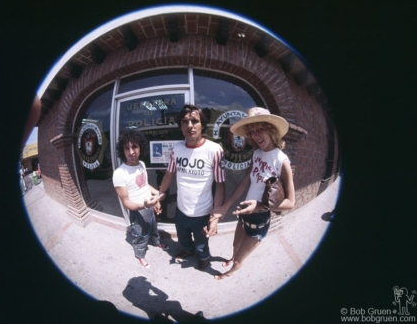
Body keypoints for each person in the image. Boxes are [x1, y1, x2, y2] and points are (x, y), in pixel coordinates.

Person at [210, 107, 295, 280]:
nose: (256, 135)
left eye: (260, 129)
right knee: (235, 245)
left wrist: (260, 205)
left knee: (240, 258)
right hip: (244, 212)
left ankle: (230, 272)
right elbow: (244, 183)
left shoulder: (281, 160)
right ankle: (232, 257)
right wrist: (225, 206)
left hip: (260, 219)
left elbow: (290, 202)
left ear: (270, 129)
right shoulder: (257, 154)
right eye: (252, 131)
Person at [158, 104, 226, 271]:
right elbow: (169, 175)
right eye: (185, 122)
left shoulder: (215, 150)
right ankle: (188, 250)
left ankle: (204, 258)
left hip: (202, 213)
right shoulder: (177, 148)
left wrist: (215, 216)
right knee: (183, 238)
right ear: (180, 126)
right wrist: (159, 196)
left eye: (194, 121)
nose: (190, 126)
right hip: (181, 210)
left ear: (202, 124)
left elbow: (220, 185)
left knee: (202, 243)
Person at [112, 129, 168, 268]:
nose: (131, 152)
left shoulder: (141, 164)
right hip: (137, 211)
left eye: (134, 147)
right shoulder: (119, 173)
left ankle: (156, 242)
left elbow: (144, 184)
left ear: (140, 147)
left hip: (148, 206)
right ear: (122, 151)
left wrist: (157, 195)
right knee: (140, 236)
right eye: (127, 148)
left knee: (154, 228)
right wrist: (144, 206)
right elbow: (126, 202)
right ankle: (140, 255)